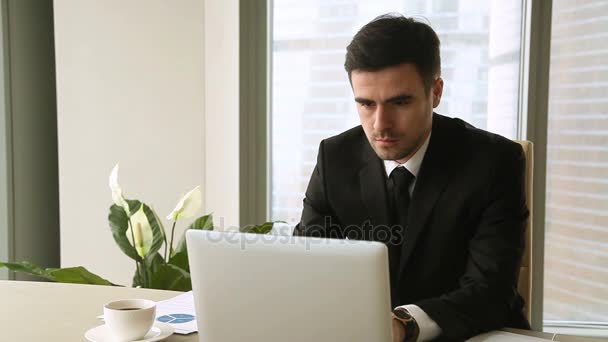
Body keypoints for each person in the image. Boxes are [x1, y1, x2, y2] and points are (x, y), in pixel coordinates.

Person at [293, 13, 530, 341]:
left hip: (471, 333)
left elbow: (490, 291)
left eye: (399, 102)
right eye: (365, 104)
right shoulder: (334, 158)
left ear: (435, 92)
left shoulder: (495, 163)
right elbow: (303, 263)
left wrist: (405, 323)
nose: (380, 124)